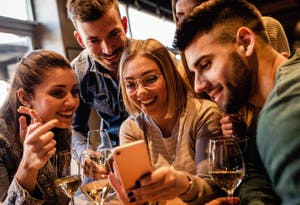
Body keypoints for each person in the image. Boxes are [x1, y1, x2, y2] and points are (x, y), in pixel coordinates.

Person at [174, 0, 300, 205]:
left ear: (245, 42)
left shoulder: (282, 113)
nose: (198, 87)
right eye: (193, 73)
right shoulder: (265, 106)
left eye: (205, 65)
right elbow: (254, 173)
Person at [108, 38, 224, 205]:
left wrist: (184, 184)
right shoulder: (131, 128)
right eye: (131, 84)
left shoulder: (203, 114)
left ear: (169, 75)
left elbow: (214, 189)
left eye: (150, 79)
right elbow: (138, 197)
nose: (140, 92)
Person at [0, 49, 80, 204]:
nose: (72, 102)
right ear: (25, 98)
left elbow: (60, 200)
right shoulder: (2, 140)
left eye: (74, 91)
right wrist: (28, 166)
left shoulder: (61, 129)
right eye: (57, 93)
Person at [66, 0, 130, 157]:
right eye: (94, 41)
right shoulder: (77, 72)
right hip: (111, 154)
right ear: (80, 40)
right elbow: (74, 127)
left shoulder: (151, 58)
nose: (108, 50)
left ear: (124, 25)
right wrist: (84, 153)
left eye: (114, 34)